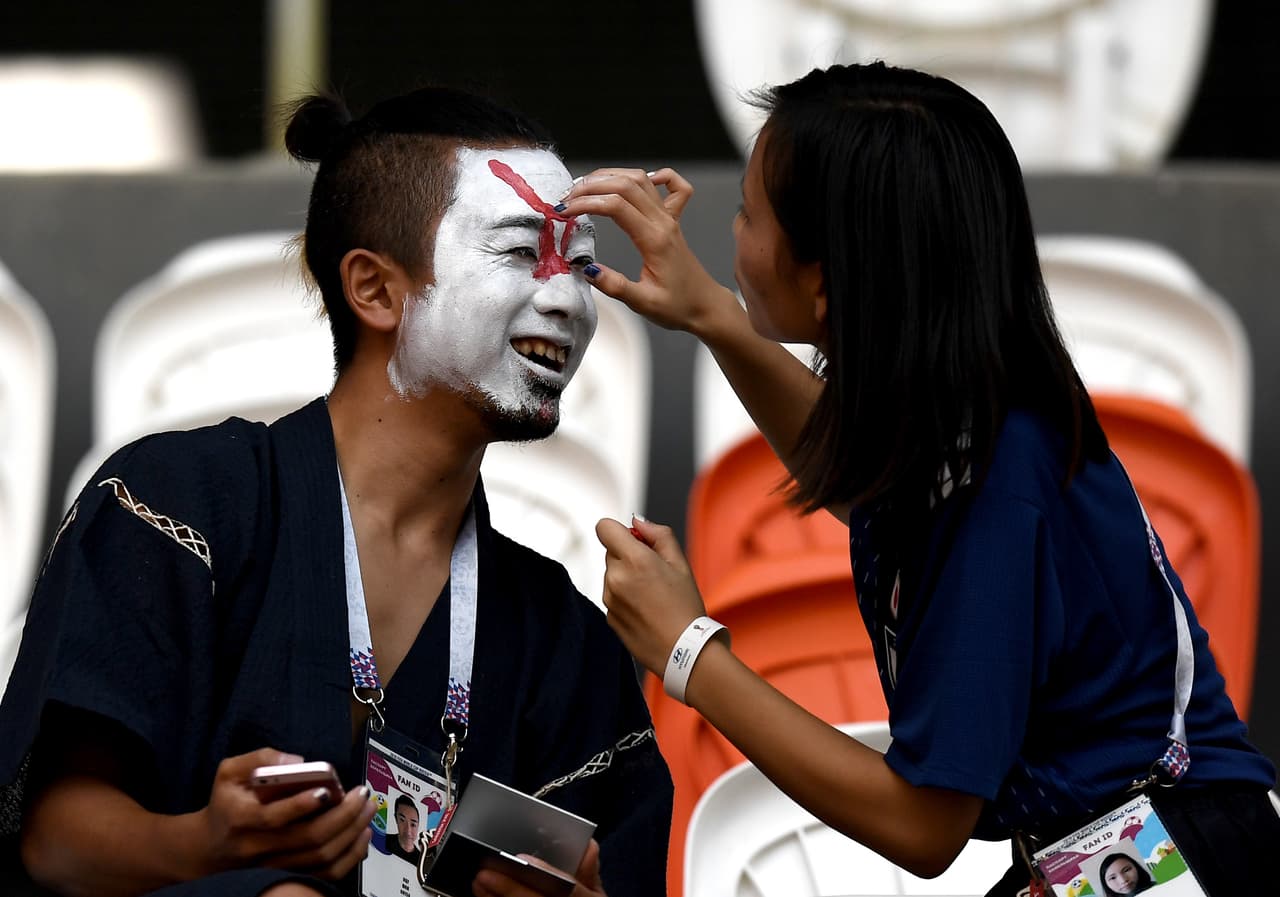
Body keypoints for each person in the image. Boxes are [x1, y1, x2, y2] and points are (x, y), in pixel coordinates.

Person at [559, 62, 1279, 894]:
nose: (733, 231)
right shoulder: (979, 411)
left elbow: (925, 823)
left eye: (748, 214)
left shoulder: (994, 486)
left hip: (1166, 857)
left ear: (825, 281)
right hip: (1121, 843)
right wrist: (712, 313)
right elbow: (860, 476)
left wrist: (689, 653)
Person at [0, 86, 671, 897]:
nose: (566, 298)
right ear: (375, 290)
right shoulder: (177, 506)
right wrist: (203, 844)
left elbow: (605, 867)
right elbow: (55, 842)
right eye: (520, 254)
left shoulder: (559, 635)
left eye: (582, 263)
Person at [388, 797, 420, 867]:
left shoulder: (421, 861)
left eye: (413, 824)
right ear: (396, 819)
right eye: (402, 820)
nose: (408, 831)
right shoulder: (384, 841)